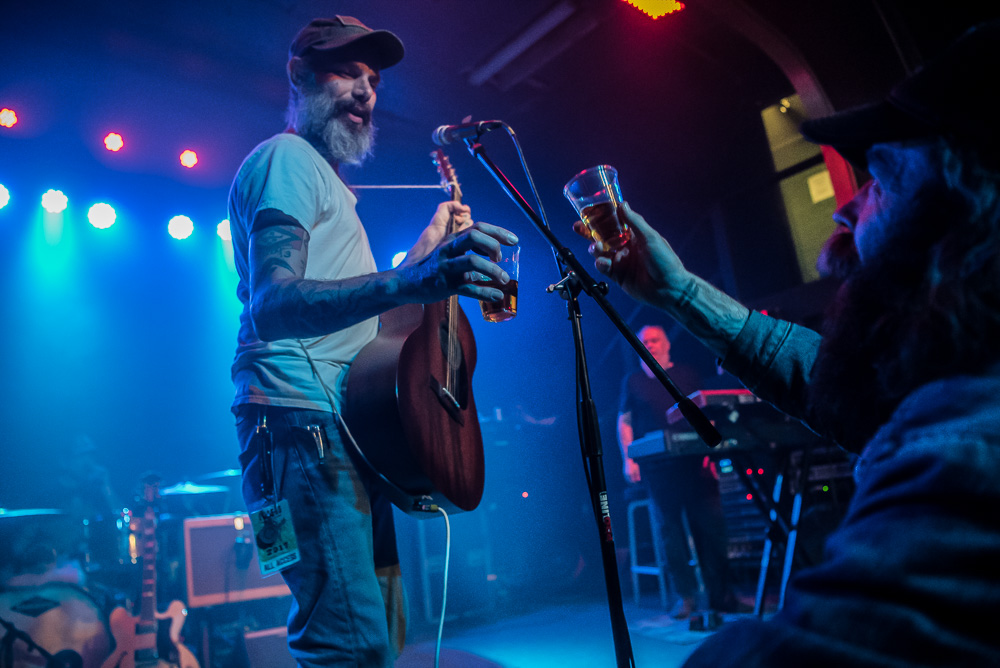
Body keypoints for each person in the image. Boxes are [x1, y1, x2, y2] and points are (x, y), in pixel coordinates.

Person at [577, 21, 1000, 666]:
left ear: (968, 199)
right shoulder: (958, 384)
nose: (843, 208)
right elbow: (840, 382)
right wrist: (680, 291)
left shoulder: (969, 439)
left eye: (880, 177)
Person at [227, 16, 517, 667]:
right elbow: (275, 304)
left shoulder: (327, 183)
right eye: (345, 69)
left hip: (332, 432)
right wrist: (410, 278)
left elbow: (373, 323)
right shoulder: (287, 160)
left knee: (379, 628)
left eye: (373, 77)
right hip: (297, 429)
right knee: (351, 647)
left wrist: (427, 249)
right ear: (298, 74)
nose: (364, 88)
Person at [616, 325, 731, 618]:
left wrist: (712, 453)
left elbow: (706, 416)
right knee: (671, 534)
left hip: (695, 465)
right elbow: (625, 421)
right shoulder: (634, 381)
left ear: (667, 345)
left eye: (655, 340)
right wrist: (629, 459)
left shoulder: (688, 374)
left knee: (712, 528)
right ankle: (687, 598)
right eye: (644, 342)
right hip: (659, 468)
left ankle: (722, 596)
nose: (650, 345)